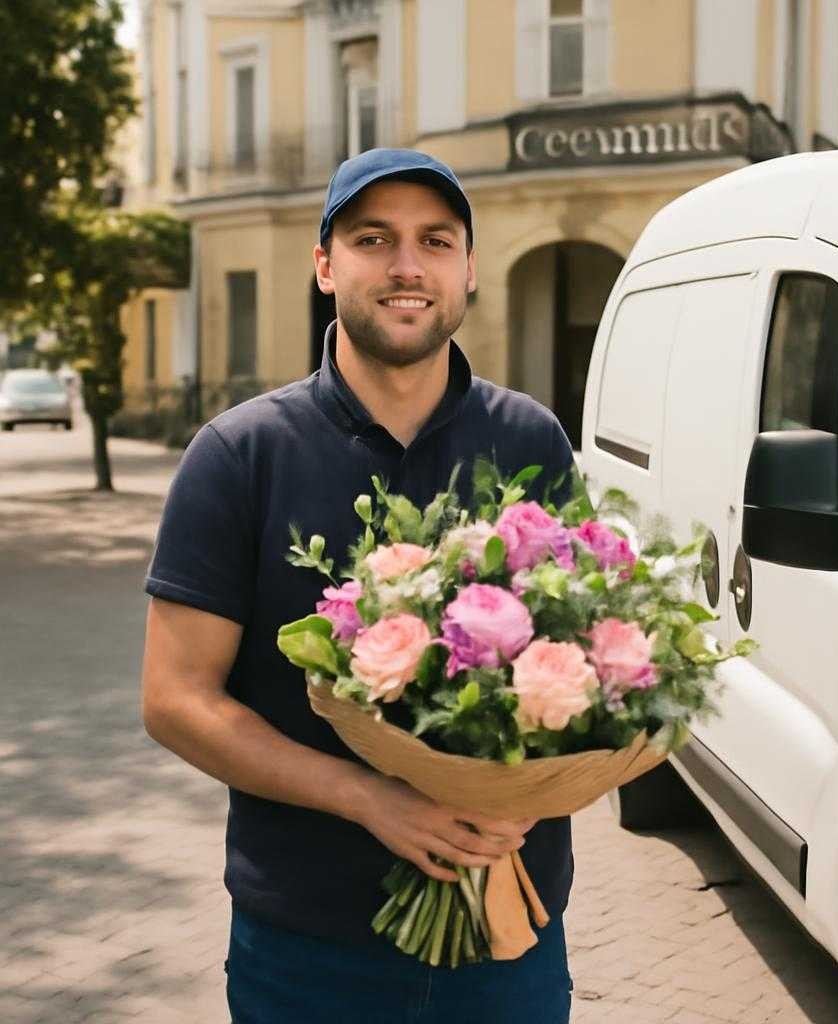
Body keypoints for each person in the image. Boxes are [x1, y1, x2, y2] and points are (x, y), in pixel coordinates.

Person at [140, 149, 576, 1024]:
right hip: (309, 947)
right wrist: (371, 798)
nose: (407, 267)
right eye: (374, 239)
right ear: (326, 265)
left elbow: (578, 666)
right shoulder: (240, 455)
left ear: (469, 269)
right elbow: (175, 698)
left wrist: (532, 786)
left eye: (435, 241)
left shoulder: (532, 440)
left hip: (505, 931)